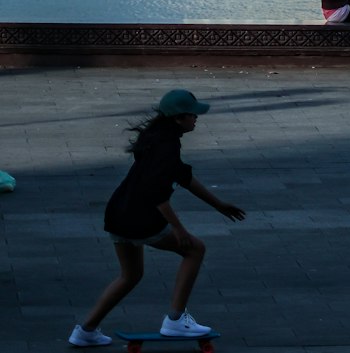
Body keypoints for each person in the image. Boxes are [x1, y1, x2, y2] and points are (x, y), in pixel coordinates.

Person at [68, 87, 245, 347]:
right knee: (195, 249)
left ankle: (85, 331)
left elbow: (183, 176)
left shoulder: (159, 137)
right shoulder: (165, 146)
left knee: (130, 275)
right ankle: (175, 319)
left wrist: (218, 204)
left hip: (119, 212)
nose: (196, 118)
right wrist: (180, 230)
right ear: (178, 118)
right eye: (192, 115)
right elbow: (157, 196)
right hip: (140, 217)